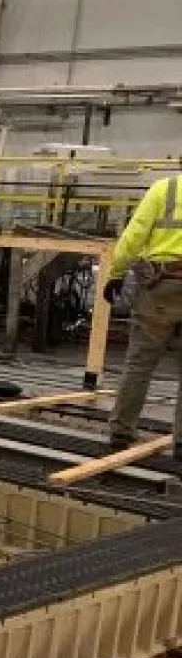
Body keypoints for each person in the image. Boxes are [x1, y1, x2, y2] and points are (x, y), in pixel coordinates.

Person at [105, 174, 182, 459]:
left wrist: (115, 273)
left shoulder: (164, 189)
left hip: (161, 286)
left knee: (140, 363)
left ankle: (121, 433)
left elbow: (134, 235)